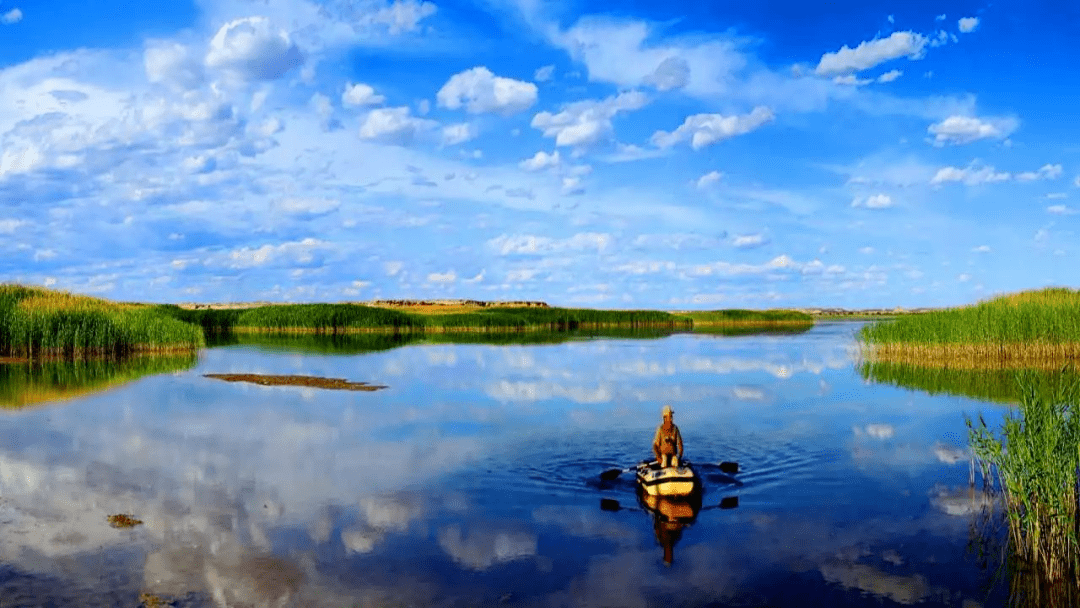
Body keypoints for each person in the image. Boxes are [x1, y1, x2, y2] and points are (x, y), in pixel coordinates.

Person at [652, 404, 683, 468]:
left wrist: (679, 456)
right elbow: (655, 445)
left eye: (671, 417)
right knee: (664, 463)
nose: (671, 419)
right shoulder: (660, 429)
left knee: (675, 462)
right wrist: (658, 457)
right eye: (670, 417)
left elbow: (680, 444)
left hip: (673, 455)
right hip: (663, 455)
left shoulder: (675, 429)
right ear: (665, 418)